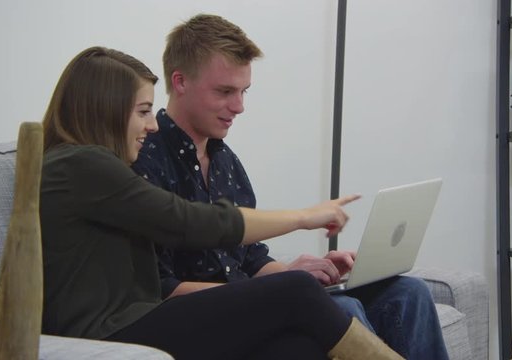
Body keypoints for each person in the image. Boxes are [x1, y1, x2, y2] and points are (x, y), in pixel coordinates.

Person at [39, 46, 405, 360]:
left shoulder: (90, 167)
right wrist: (303, 217)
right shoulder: (80, 164)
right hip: (103, 336)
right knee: (296, 290)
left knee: (298, 348)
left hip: (136, 321)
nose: (151, 126)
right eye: (143, 111)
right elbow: (187, 221)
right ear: (105, 109)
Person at [132, 14, 450, 360]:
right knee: (346, 313)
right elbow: (158, 287)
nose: (239, 107)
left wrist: (300, 274)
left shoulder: (226, 161)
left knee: (410, 294)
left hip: (261, 298)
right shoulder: (144, 161)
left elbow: (251, 256)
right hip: (209, 318)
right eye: (225, 92)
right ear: (180, 82)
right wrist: (273, 290)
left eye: (243, 91)